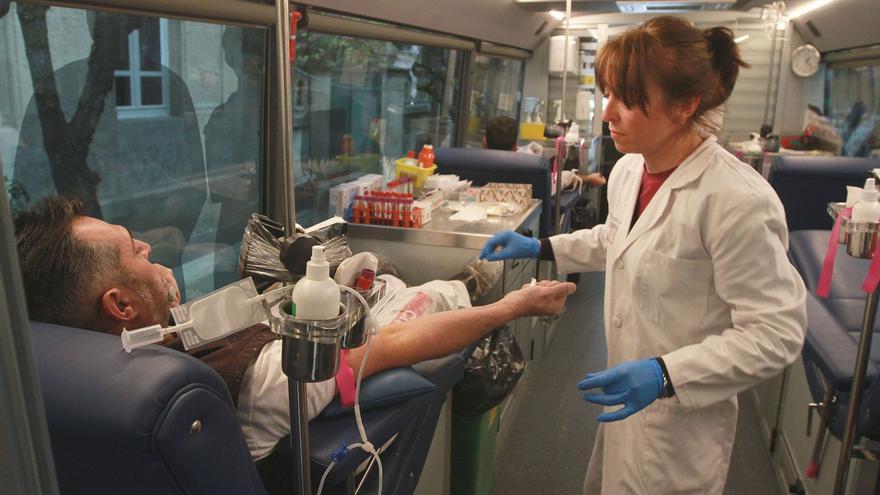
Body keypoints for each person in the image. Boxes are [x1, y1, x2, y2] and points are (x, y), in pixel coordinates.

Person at [479, 16, 806, 494]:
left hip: (681, 427)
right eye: (606, 93)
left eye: (626, 99)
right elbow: (620, 239)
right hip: (626, 411)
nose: (607, 113)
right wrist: (543, 246)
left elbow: (776, 333)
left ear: (684, 105)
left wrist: (666, 374)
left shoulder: (738, 201)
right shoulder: (630, 170)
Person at [14, 195, 576, 461]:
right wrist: (513, 308)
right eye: (131, 251)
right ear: (120, 305)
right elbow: (390, 346)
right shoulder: (254, 378)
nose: (147, 246)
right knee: (424, 300)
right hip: (336, 414)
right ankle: (470, 287)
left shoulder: (60, 379)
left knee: (382, 282)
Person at [483, 115, 607, 187]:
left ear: (484, 143)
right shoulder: (531, 168)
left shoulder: (470, 165)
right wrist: (589, 178)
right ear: (515, 145)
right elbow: (560, 180)